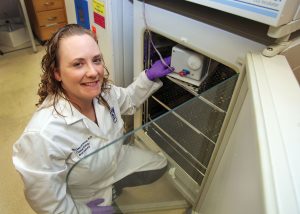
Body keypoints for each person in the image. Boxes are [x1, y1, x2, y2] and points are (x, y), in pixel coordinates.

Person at [12, 24, 174, 214]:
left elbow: (128, 100)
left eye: (96, 60)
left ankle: (114, 187)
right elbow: (48, 203)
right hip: (84, 193)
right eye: (78, 64)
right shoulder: (42, 136)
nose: (93, 72)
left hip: (115, 161)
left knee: (160, 164)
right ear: (57, 73)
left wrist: (148, 76)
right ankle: (106, 195)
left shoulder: (104, 92)